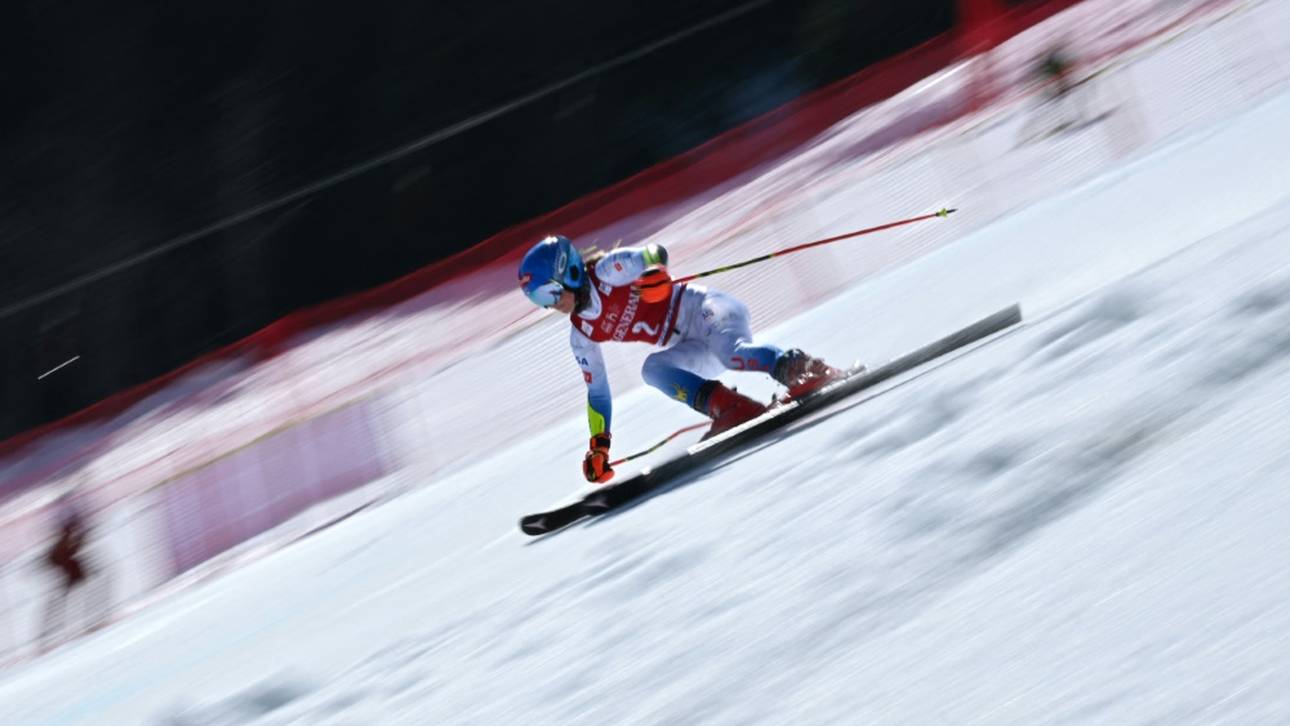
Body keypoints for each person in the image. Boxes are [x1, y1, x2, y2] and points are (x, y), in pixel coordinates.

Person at [517, 234, 840, 484]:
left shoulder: (607, 271)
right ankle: (731, 408)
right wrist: (599, 446)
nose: (550, 305)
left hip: (709, 311)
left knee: (732, 354)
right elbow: (597, 391)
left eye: (548, 292)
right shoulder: (581, 334)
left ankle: (807, 370)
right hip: (691, 345)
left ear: (569, 272)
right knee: (653, 369)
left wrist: (655, 272)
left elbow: (652, 252)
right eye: (538, 300)